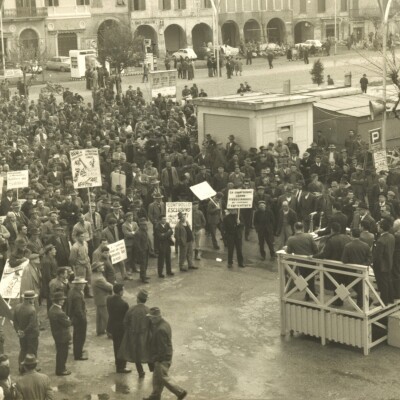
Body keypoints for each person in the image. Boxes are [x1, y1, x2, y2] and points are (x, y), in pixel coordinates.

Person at [144, 307, 187, 400]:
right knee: (156, 378)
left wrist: (157, 359)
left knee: (162, 377)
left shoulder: (160, 330)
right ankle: (154, 396)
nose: (150, 320)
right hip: (165, 356)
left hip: (161, 358)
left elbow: (162, 348)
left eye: (151, 318)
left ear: (156, 318)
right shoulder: (165, 324)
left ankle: (180, 392)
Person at [118, 289, 153, 379]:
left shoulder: (131, 309)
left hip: (133, 336)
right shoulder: (148, 311)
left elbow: (125, 322)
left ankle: (140, 372)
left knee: (136, 354)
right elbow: (152, 324)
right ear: (145, 300)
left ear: (138, 299)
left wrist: (129, 331)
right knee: (148, 352)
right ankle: (153, 370)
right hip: (145, 336)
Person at [286, 222, 319, 300]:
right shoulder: (309, 236)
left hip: (300, 262)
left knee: (304, 278)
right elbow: (316, 249)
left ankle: (309, 294)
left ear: (294, 228)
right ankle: (310, 294)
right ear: (303, 228)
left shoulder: (291, 239)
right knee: (311, 278)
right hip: (311, 261)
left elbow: (289, 252)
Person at [341, 228, 372, 308]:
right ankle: (362, 302)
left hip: (351, 270)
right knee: (361, 285)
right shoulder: (366, 245)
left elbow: (344, 260)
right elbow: (369, 258)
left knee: (354, 285)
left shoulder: (348, 246)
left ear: (351, 234)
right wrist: (363, 265)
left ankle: (363, 301)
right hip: (363, 269)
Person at [106, 283, 131, 374]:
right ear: (120, 291)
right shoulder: (124, 304)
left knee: (116, 346)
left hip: (112, 326)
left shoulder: (109, 299)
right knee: (122, 347)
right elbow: (126, 318)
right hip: (121, 328)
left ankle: (118, 364)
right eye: (123, 290)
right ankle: (121, 367)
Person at [13, 290, 39, 373]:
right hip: (31, 335)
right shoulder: (32, 309)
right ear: (29, 299)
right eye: (33, 298)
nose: (34, 300)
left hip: (22, 335)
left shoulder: (17, 307)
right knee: (32, 351)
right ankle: (31, 369)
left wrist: (19, 331)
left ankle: (21, 368)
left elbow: (15, 321)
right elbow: (32, 325)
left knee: (23, 350)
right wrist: (24, 331)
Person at [48, 291, 72, 376]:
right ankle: (61, 370)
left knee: (60, 352)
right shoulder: (59, 312)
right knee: (63, 353)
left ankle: (60, 369)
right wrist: (68, 318)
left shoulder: (52, 309)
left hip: (57, 334)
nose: (63, 301)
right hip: (62, 336)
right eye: (62, 300)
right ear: (58, 301)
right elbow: (68, 323)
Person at [373, 218, 395, 305]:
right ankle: (390, 298)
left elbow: (378, 256)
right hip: (389, 262)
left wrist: (374, 264)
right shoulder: (391, 236)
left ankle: (383, 301)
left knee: (382, 284)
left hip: (381, 266)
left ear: (381, 228)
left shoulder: (381, 241)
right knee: (388, 282)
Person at [66, 277, 88, 361]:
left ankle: (77, 351)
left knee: (76, 335)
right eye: (82, 284)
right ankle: (78, 354)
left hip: (74, 318)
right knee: (80, 337)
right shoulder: (77, 295)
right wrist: (83, 318)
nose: (84, 285)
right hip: (79, 319)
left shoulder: (72, 291)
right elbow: (78, 310)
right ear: (78, 285)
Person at [91, 261, 113, 336]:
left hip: (98, 298)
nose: (103, 266)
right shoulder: (99, 278)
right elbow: (109, 286)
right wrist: (112, 285)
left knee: (99, 316)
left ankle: (100, 330)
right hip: (103, 299)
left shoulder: (95, 275)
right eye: (101, 266)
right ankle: (110, 332)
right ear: (97, 269)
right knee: (106, 316)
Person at [133, 218, 151, 283]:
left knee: (145, 264)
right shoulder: (138, 233)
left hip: (146, 250)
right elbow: (137, 244)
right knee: (143, 265)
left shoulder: (144, 231)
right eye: (144, 225)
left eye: (146, 225)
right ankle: (143, 278)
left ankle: (143, 275)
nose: (145, 226)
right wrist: (141, 251)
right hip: (142, 252)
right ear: (140, 226)